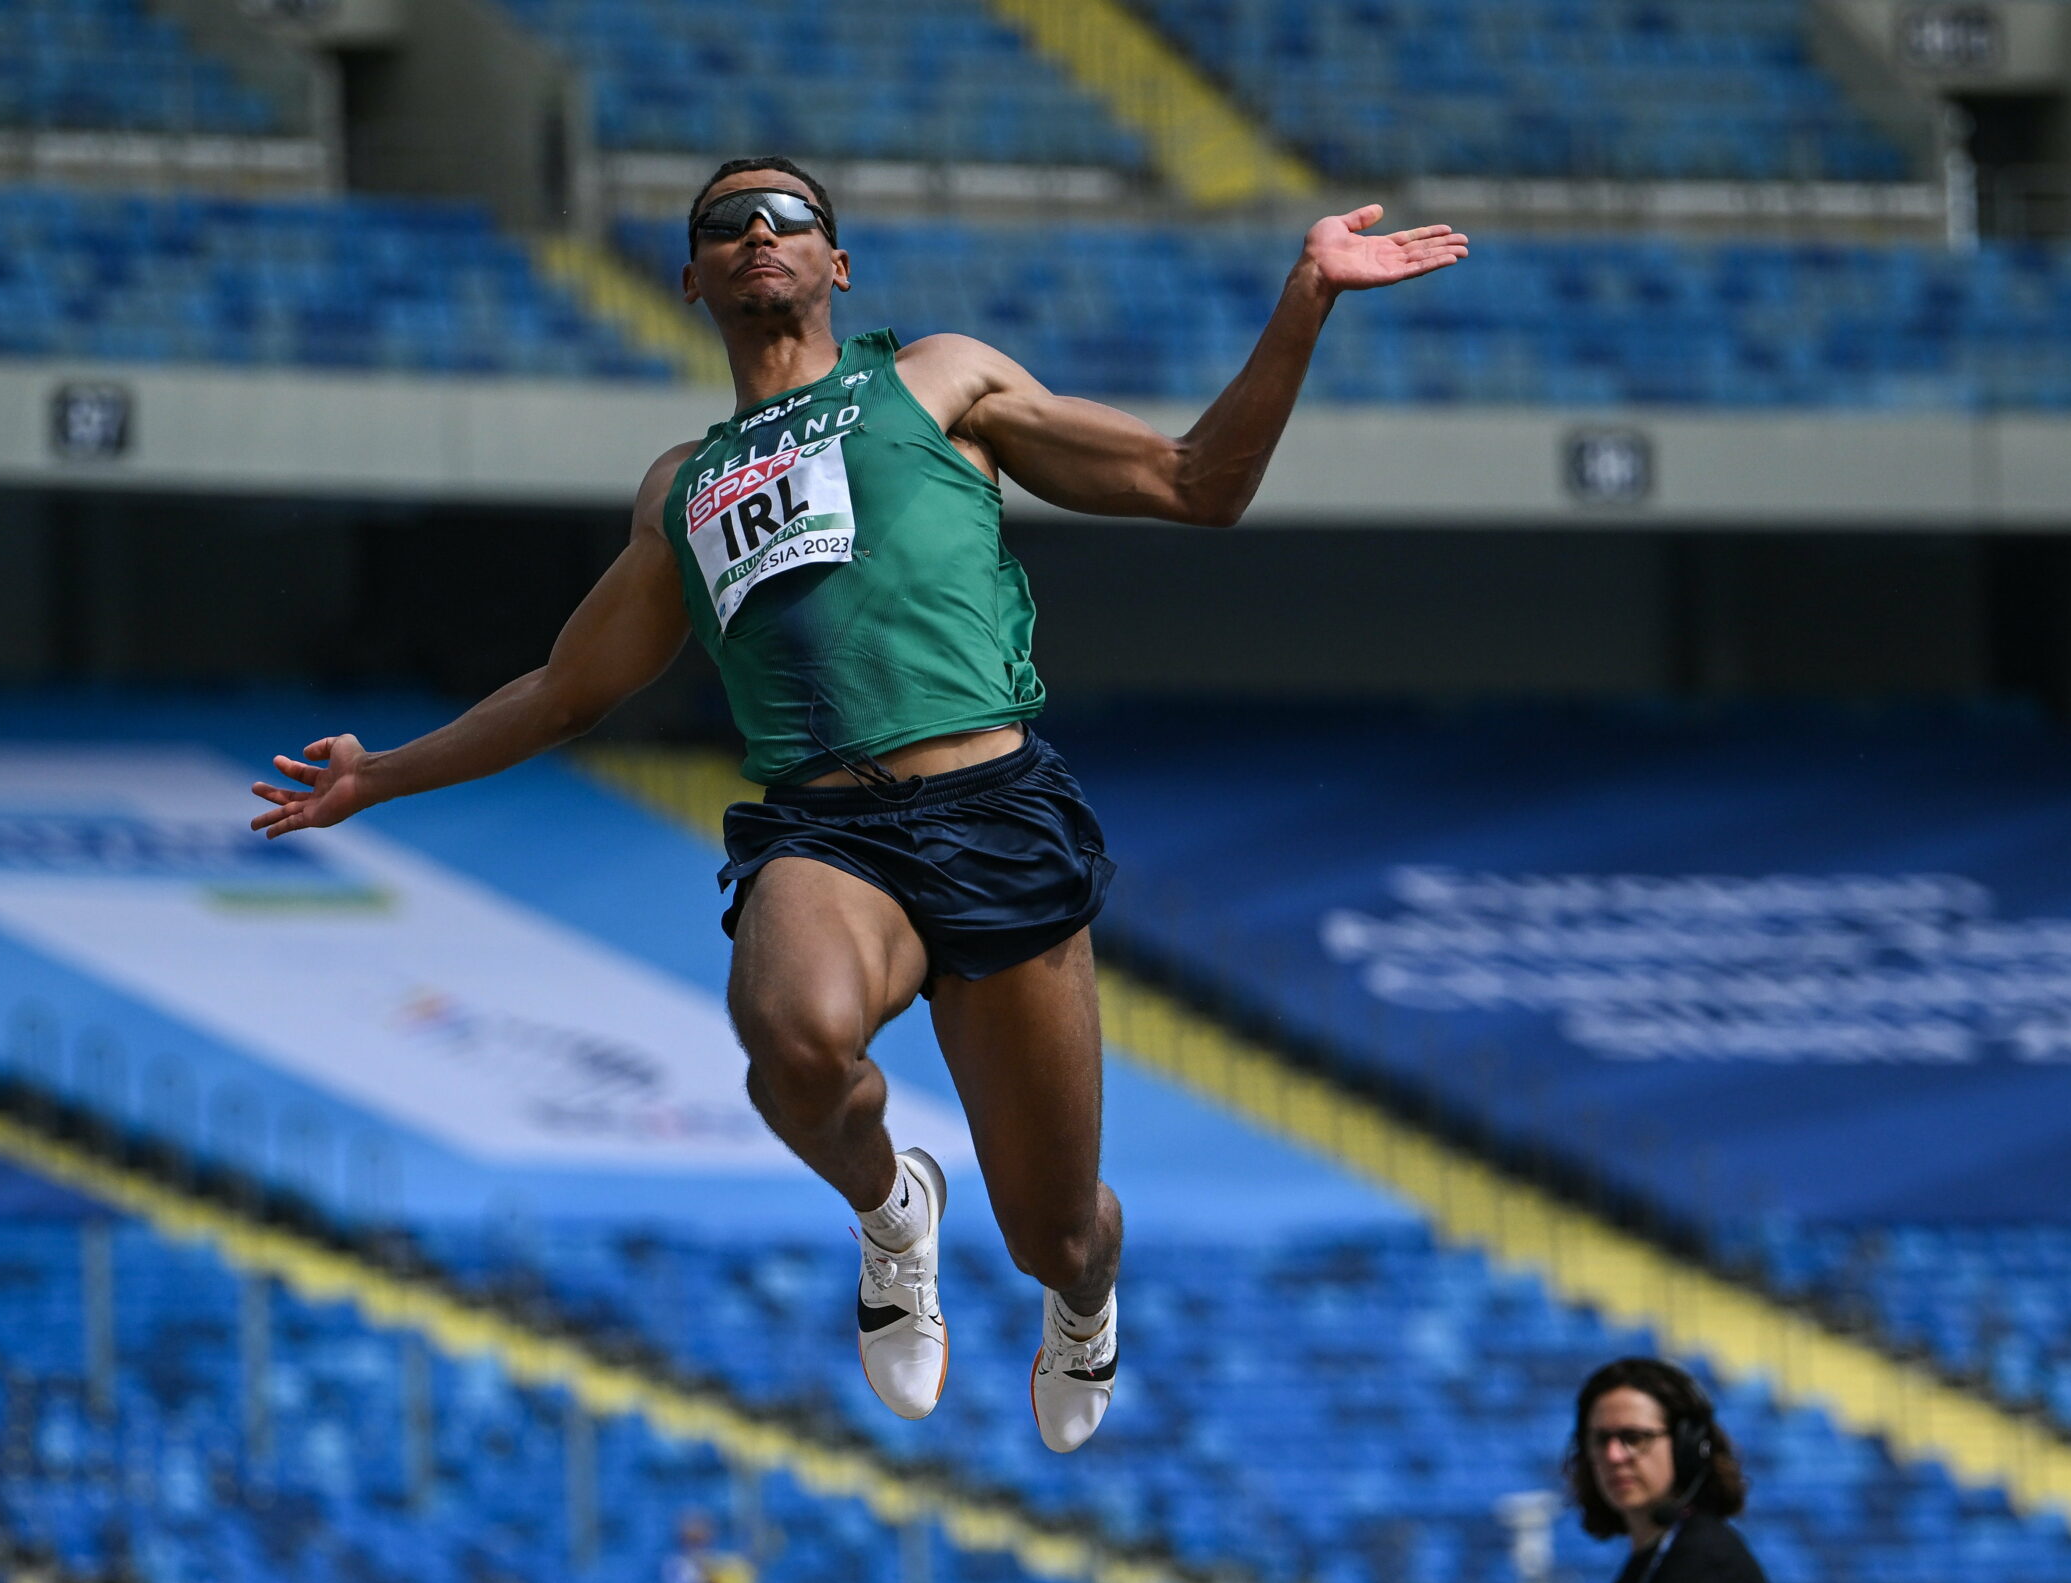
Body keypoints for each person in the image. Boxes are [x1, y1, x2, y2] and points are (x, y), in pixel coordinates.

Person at [250, 155, 1467, 1452]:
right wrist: (380, 773)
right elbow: (564, 688)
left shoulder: (940, 380)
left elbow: (1195, 481)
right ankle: (892, 1215)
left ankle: (1085, 1299)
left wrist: (1307, 300)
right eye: (725, 219)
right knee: (792, 1037)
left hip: (994, 809)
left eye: (790, 216)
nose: (757, 230)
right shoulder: (680, 488)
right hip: (828, 831)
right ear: (693, 276)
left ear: (836, 264)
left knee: (1053, 1226)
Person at [1565, 1356, 1773, 1583]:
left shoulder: (1705, 1560)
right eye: (1600, 1440)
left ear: (1687, 1446)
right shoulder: (1649, 1565)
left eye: (1634, 1438)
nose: (1613, 1456)